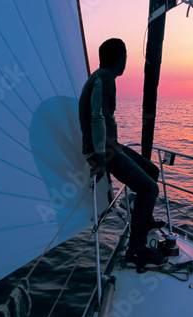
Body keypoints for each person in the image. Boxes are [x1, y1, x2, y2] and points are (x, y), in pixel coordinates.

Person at [78, 38, 168, 269]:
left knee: (151, 169)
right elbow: (97, 116)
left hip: (111, 146)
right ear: (120, 58)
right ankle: (136, 250)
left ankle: (143, 221)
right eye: (126, 56)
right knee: (150, 189)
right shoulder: (105, 77)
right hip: (104, 150)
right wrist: (100, 159)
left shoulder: (102, 77)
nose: (126, 60)